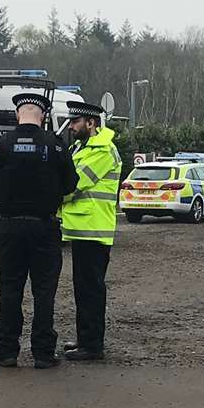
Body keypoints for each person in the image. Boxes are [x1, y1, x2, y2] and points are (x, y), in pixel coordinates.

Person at [0, 91, 76, 369]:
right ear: (42, 116)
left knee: (10, 288)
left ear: (18, 114)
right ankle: (43, 353)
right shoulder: (55, 146)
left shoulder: (1, 145)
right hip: (44, 227)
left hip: (9, 226)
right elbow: (71, 184)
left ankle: (7, 351)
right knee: (44, 292)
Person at [59, 101, 121, 361]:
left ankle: (92, 346)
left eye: (75, 122)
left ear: (91, 123)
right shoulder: (82, 147)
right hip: (83, 228)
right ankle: (85, 338)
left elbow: (74, 184)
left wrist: (47, 195)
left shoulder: (103, 150)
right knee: (82, 287)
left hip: (94, 229)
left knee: (91, 288)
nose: (71, 127)